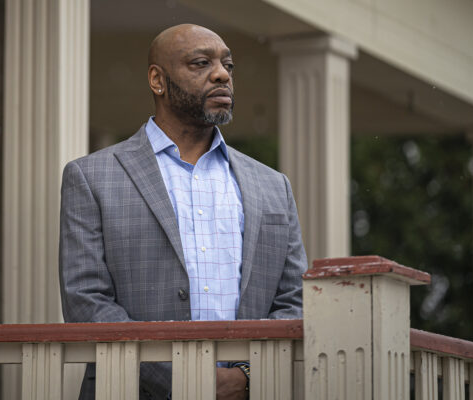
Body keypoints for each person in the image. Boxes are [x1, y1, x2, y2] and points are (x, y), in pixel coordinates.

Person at [59, 24, 307, 400]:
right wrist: (182, 381)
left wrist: (245, 376)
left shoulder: (274, 187)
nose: (222, 74)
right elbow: (86, 301)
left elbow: (295, 301)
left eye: (228, 65)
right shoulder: (91, 177)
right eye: (201, 63)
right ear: (157, 80)